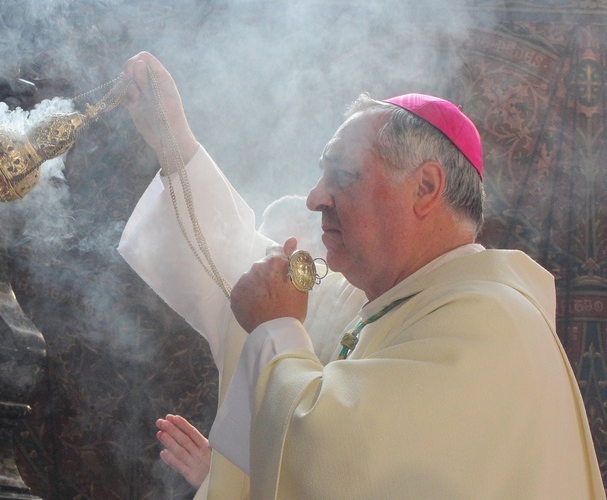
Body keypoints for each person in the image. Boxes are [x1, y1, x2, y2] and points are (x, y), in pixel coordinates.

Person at [118, 52, 604, 499]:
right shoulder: (386, 302)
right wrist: (174, 143)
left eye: (343, 176)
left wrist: (277, 331)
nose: (314, 198)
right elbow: (244, 275)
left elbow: (333, 465)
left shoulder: (493, 325)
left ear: (426, 187)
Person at [154, 194, 325, 491]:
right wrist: (222, 477)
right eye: (267, 258)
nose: (270, 271)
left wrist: (224, 481)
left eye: (289, 265)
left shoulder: (341, 319)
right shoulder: (237, 318)